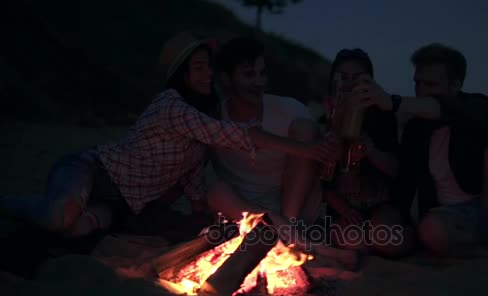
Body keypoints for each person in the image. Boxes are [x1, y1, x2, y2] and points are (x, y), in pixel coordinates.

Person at [0, 32, 337, 240]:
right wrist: (309, 151)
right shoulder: (171, 105)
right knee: (59, 218)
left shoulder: (202, 121)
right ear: (182, 75)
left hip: (123, 206)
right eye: (197, 68)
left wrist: (206, 212)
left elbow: (192, 179)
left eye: (208, 67)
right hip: (92, 171)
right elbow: (235, 134)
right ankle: (10, 204)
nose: (206, 75)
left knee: (76, 230)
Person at [349, 43, 488, 274]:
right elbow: (403, 174)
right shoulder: (417, 128)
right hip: (449, 216)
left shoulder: (478, 106)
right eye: (417, 83)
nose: (421, 91)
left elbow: (447, 108)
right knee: (429, 230)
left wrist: (393, 102)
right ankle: (484, 249)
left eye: (430, 84)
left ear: (456, 85)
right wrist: (370, 151)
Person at [205, 36, 324, 231]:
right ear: (227, 79)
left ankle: (287, 228)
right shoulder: (215, 118)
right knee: (216, 192)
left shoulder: (289, 109)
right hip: (243, 209)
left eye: (262, 74)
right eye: (249, 75)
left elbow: (318, 156)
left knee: (305, 128)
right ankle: (277, 230)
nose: (259, 82)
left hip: (290, 205)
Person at [320, 48, 414, 258]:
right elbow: (320, 182)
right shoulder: (324, 122)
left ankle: (404, 237)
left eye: (358, 78)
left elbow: (398, 171)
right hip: (344, 206)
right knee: (351, 240)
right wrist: (342, 209)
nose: (350, 84)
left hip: (381, 204)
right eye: (343, 78)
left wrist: (370, 150)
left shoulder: (383, 118)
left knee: (387, 237)